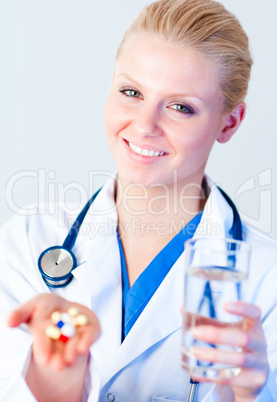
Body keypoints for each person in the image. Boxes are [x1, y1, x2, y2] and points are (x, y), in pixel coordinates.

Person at [0, 0, 277, 400]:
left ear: (229, 122)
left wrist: (253, 391)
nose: (145, 126)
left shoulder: (266, 280)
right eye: (131, 92)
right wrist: (57, 372)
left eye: (181, 107)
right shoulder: (30, 241)